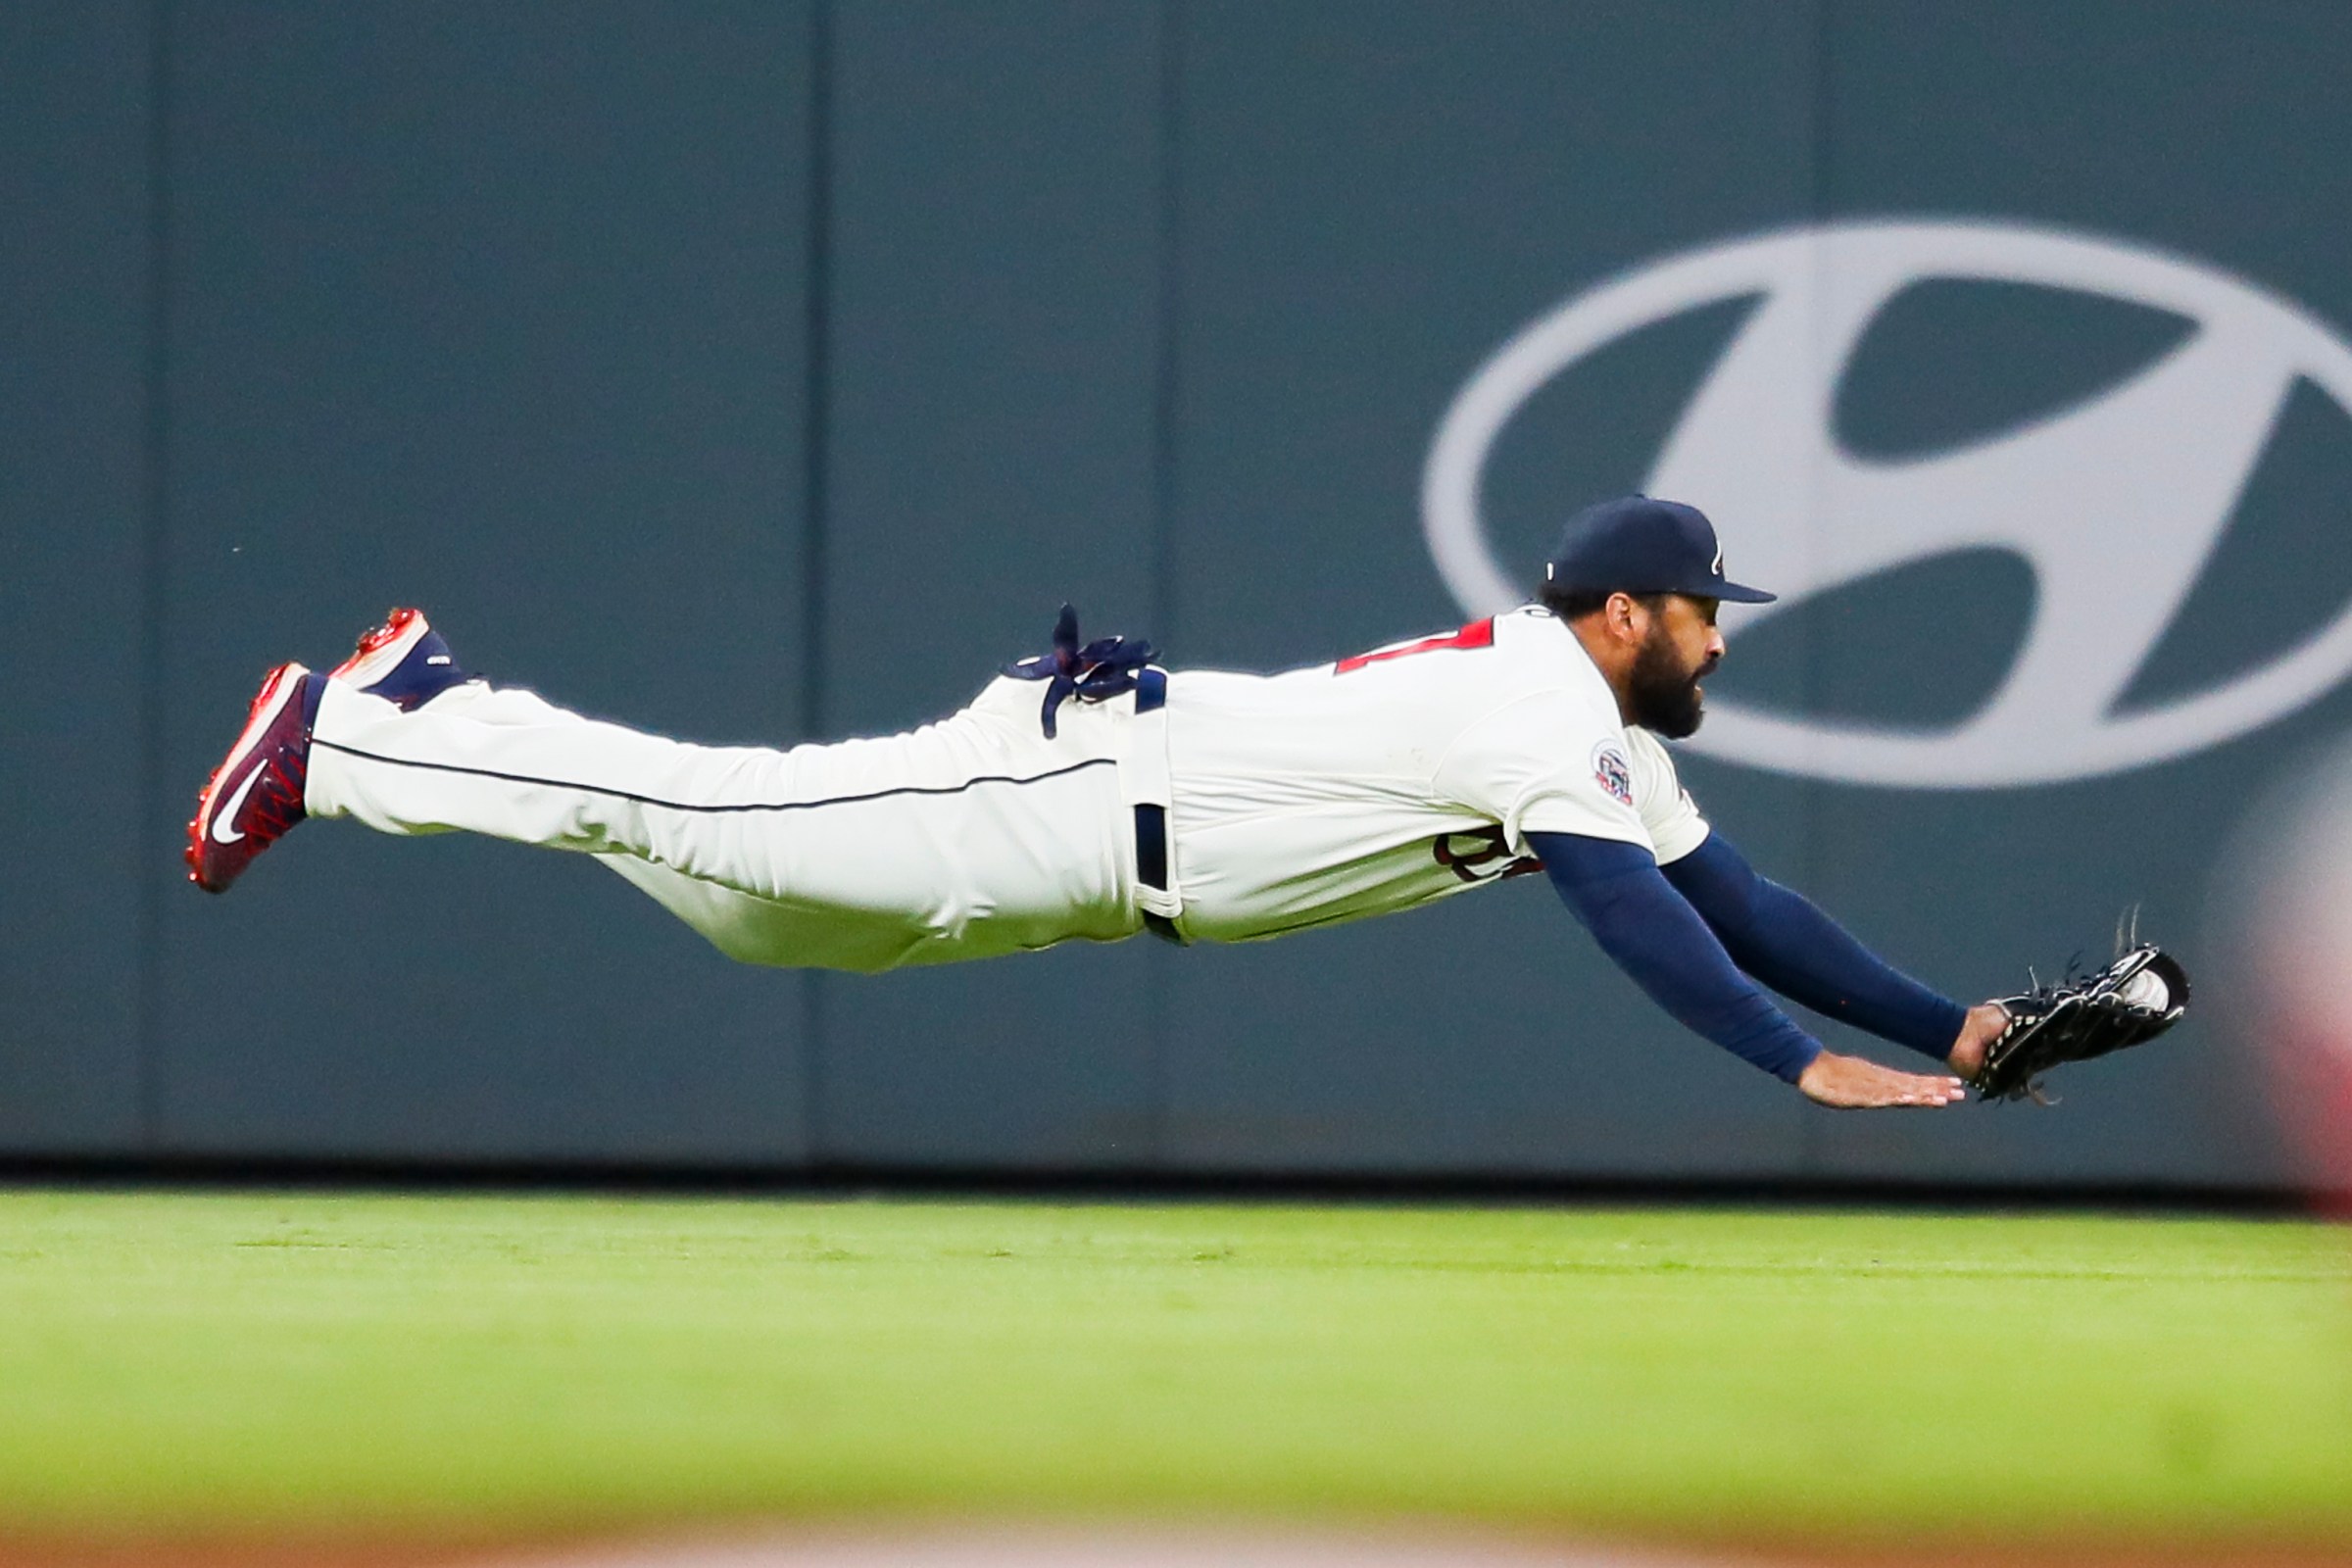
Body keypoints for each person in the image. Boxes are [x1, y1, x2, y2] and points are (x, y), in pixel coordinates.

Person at [187, 496, 2001, 1109]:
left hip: (1085, 860)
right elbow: (1639, 922)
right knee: (699, 820)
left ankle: (429, 705)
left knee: (739, 911)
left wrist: (1963, 1029)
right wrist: (1790, 1064)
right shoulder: (1542, 702)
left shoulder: (1599, 731)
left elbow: (1738, 901)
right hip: (1062, 795)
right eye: (1700, 611)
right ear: (1623, 613)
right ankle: (344, 736)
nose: (1715, 639)